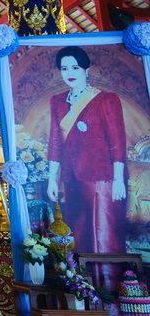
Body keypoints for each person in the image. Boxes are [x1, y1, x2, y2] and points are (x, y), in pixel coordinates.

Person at [46, 46, 127, 254]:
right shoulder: (57, 101)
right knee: (78, 234)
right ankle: (81, 283)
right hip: (71, 178)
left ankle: (107, 283)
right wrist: (52, 179)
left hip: (102, 179)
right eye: (65, 69)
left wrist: (118, 180)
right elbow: (55, 142)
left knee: (103, 235)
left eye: (75, 67)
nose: (70, 73)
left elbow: (117, 141)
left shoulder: (106, 99)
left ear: (86, 69)